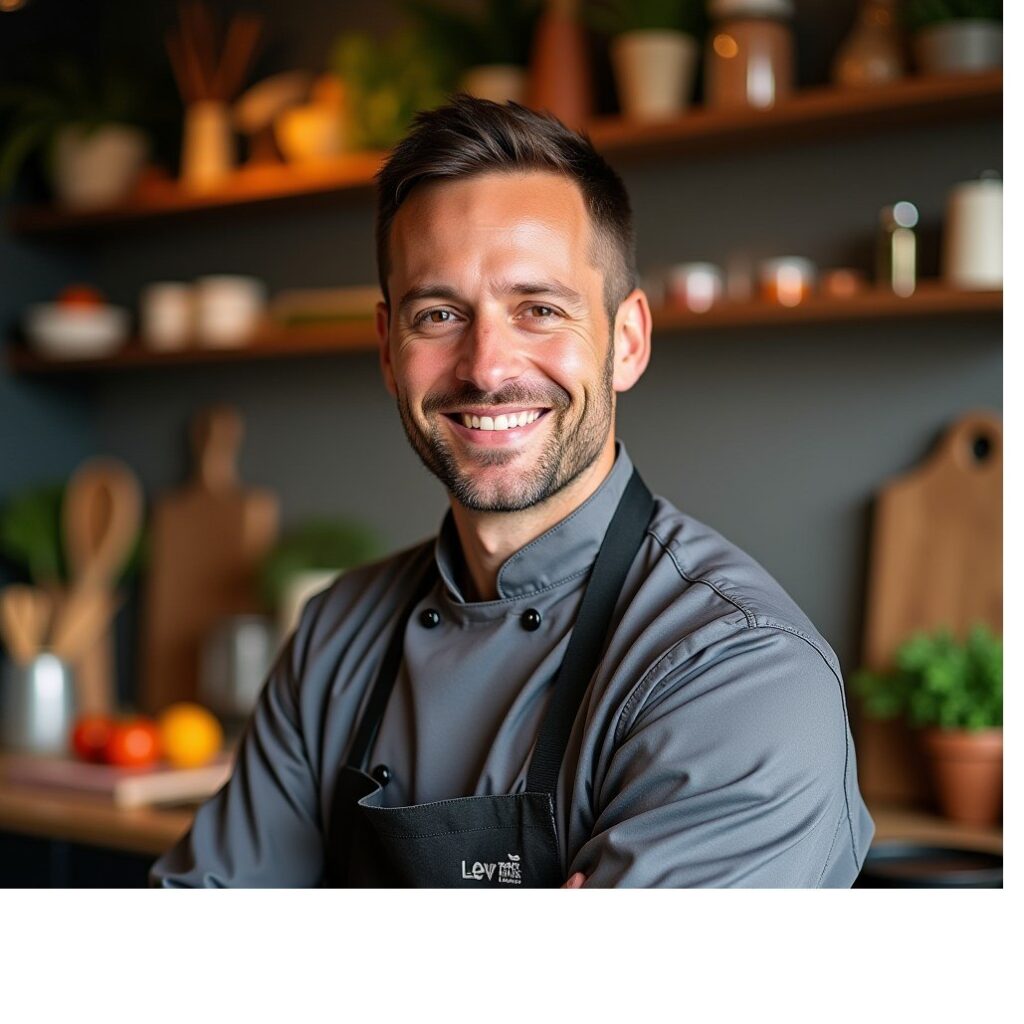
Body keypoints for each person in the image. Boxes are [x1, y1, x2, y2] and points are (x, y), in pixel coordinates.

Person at [151, 96, 874, 888]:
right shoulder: (337, 635)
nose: (487, 367)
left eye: (538, 309)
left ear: (625, 341)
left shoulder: (739, 673)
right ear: (390, 354)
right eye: (439, 313)